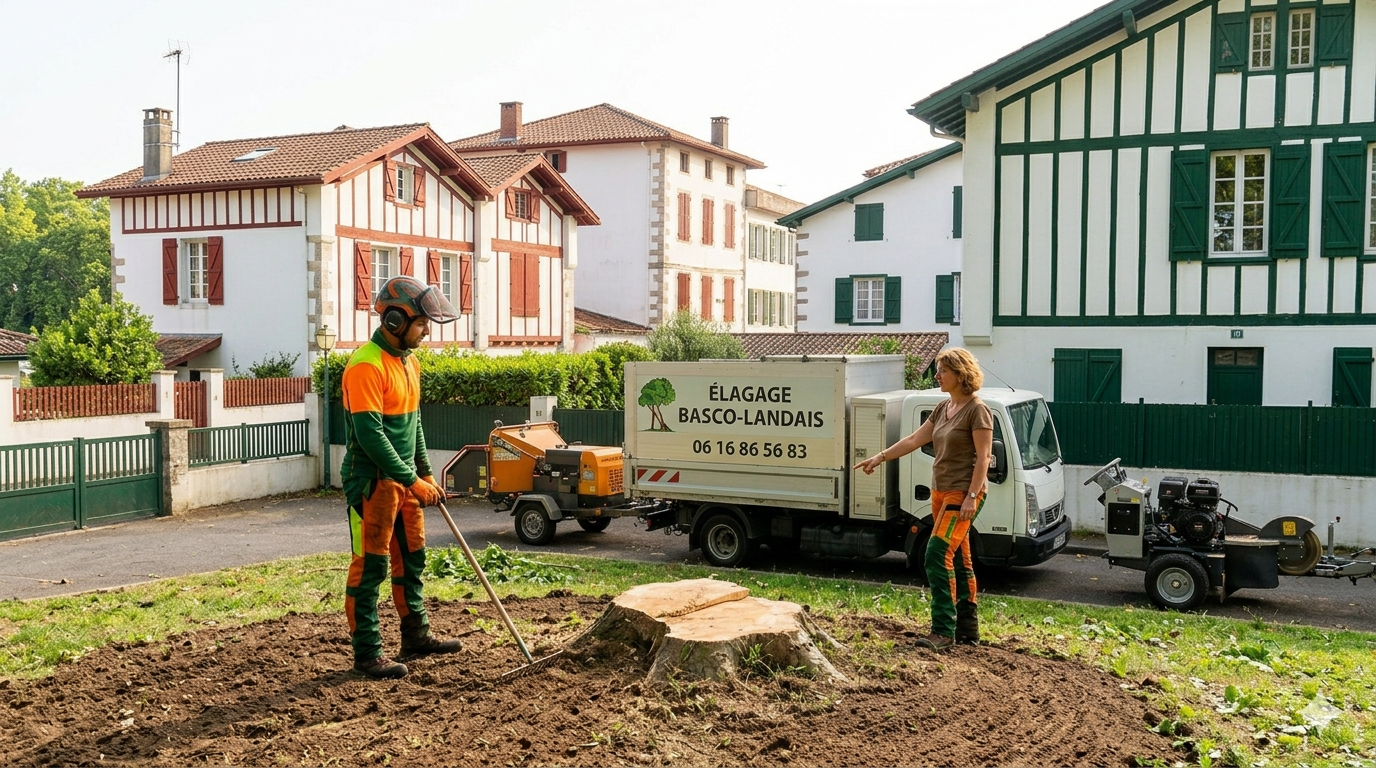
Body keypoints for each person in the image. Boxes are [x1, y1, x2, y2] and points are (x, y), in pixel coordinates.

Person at [341, 275, 465, 679]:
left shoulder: (410, 363)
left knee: (411, 559)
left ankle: (415, 635)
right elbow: (370, 436)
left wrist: (426, 473)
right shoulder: (365, 366)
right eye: (422, 323)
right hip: (371, 481)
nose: (427, 331)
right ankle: (367, 654)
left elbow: (414, 426)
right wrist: (412, 480)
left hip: (407, 480)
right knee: (371, 565)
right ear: (395, 321)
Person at [853, 348, 993, 651]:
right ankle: (968, 629)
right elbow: (915, 440)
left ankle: (943, 630)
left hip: (962, 493)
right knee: (959, 557)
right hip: (940, 492)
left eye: (942, 370)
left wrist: (971, 496)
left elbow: (983, 458)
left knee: (935, 554)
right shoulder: (943, 408)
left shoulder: (977, 410)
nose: (937, 376)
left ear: (960, 373)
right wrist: (879, 457)